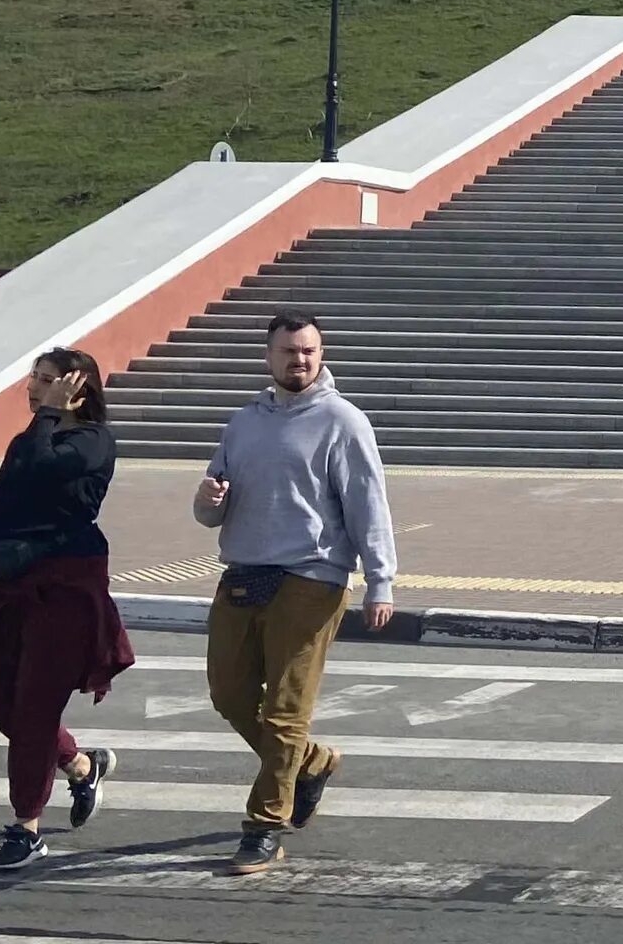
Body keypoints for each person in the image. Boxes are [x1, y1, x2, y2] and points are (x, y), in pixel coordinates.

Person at [194, 311, 396, 875]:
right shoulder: (243, 422)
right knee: (229, 695)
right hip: (243, 574)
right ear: (268, 357)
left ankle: (265, 825)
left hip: (312, 578)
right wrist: (209, 500)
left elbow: (368, 504)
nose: (299, 360)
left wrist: (380, 580)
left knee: (285, 712)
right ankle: (311, 764)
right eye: (288, 351)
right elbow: (210, 507)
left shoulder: (343, 421)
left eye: (308, 351)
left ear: (321, 354)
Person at [0, 348, 132, 872]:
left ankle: (26, 828)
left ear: (79, 387)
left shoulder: (94, 442)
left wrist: (47, 417)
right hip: (14, 584)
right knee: (0, 702)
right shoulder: (26, 441)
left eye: (48, 380)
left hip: (65, 588)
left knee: (36, 708)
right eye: (33, 379)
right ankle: (82, 766)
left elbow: (45, 465)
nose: (34, 388)